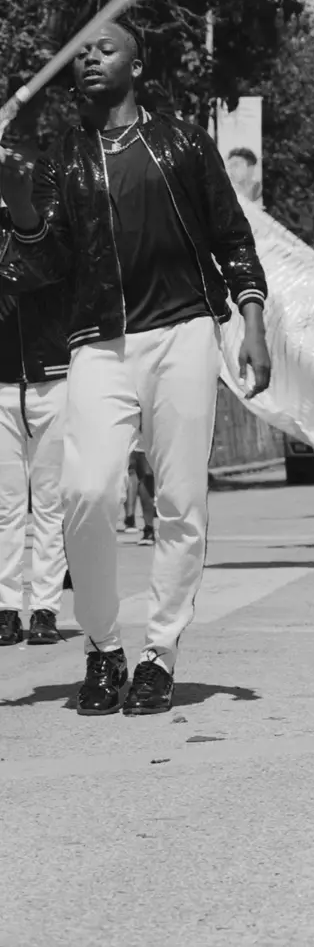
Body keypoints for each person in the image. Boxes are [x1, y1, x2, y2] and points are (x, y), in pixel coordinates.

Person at [0, 21, 270, 716]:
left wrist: (253, 323)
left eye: (105, 47)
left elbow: (231, 236)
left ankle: (158, 654)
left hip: (183, 333)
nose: (90, 57)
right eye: (81, 50)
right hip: (97, 343)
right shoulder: (62, 156)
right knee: (85, 493)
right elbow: (41, 269)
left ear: (138, 64)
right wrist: (22, 204)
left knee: (181, 501)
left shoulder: (181, 141)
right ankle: (100, 646)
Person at [0, 85, 69, 647]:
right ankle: (5, 605)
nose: (14, 154)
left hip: (54, 374)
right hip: (0, 380)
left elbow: (50, 268)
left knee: (50, 503)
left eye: (23, 143)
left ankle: (45, 606)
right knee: (4, 505)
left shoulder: (50, 198)